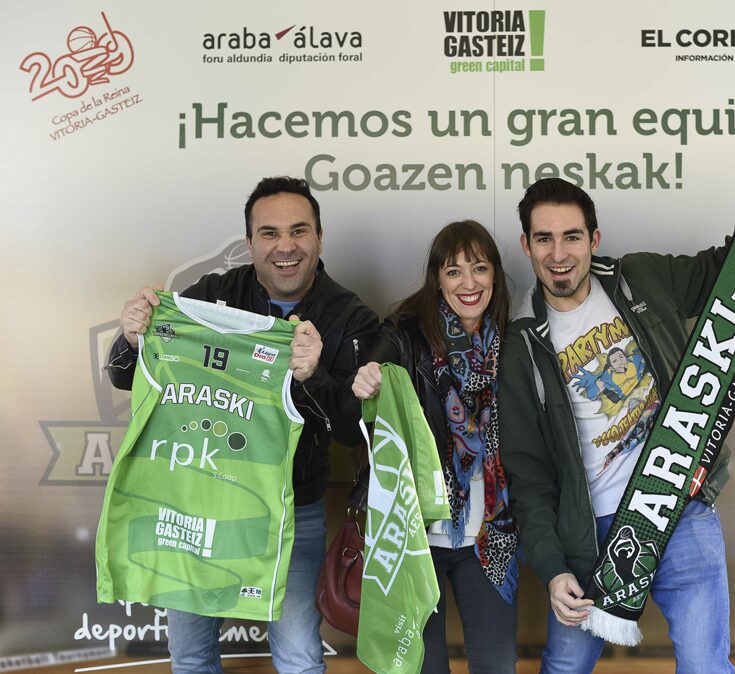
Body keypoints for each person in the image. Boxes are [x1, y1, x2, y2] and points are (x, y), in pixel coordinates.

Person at [498, 125, 735, 673]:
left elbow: (731, 269)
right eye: (543, 239)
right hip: (588, 536)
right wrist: (553, 568)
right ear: (526, 245)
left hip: (678, 504)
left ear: (594, 239)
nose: (558, 254)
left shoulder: (640, 278)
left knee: (706, 667)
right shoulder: (521, 345)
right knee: (564, 668)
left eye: (572, 237)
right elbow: (528, 476)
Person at [106, 176, 378, 674]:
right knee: (190, 656)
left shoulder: (351, 316)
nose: (285, 246)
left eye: (299, 231)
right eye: (269, 233)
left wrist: (314, 376)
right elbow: (127, 376)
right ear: (250, 243)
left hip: (293, 508)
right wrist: (131, 338)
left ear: (319, 238)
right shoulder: (210, 296)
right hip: (197, 504)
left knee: (299, 657)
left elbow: (353, 429)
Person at [351, 220, 519, 674]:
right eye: (453, 271)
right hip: (417, 537)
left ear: (495, 275)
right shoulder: (405, 334)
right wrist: (367, 382)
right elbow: (364, 392)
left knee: (497, 666)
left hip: (490, 536)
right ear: (437, 279)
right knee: (424, 667)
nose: (468, 283)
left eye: (479, 268)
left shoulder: (512, 342)